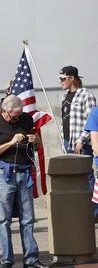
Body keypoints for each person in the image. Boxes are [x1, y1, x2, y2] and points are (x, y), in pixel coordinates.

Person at [0, 95, 49, 268]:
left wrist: (37, 141)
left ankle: (31, 259)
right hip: (4, 174)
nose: (18, 118)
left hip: (24, 173)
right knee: (4, 220)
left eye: (20, 115)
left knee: (27, 219)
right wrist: (11, 143)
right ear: (5, 111)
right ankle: (7, 260)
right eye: (14, 116)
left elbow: (37, 145)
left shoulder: (26, 119)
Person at [59, 65, 98, 218]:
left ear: (72, 78)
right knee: (72, 177)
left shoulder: (86, 94)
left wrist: (82, 140)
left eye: (63, 79)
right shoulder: (65, 96)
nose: (61, 82)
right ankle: (78, 210)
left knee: (88, 176)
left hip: (83, 145)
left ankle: (93, 212)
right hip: (68, 142)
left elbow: (91, 121)